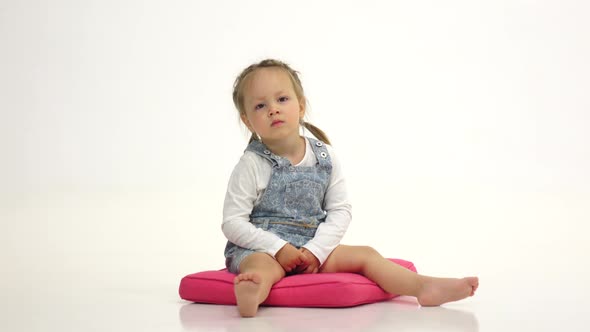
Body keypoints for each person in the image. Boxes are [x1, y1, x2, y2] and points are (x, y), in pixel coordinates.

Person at [222, 59, 479, 317]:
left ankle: (423, 287)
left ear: (300, 106)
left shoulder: (325, 157)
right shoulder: (251, 164)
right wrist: (277, 248)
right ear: (247, 120)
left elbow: (340, 210)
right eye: (260, 105)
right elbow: (232, 222)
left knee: (367, 255)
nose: (273, 110)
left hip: (311, 246)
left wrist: (316, 251)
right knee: (262, 266)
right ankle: (253, 290)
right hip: (263, 247)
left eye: (282, 100)